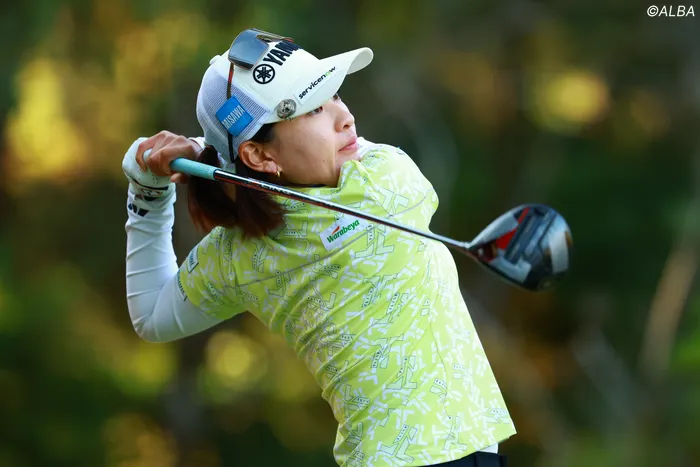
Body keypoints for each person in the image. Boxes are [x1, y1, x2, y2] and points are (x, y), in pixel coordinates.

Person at [123, 28, 516, 467]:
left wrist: (149, 190)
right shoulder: (388, 182)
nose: (344, 118)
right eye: (312, 108)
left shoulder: (238, 253)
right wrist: (206, 149)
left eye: (335, 95)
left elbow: (151, 315)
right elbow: (354, 155)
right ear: (259, 156)